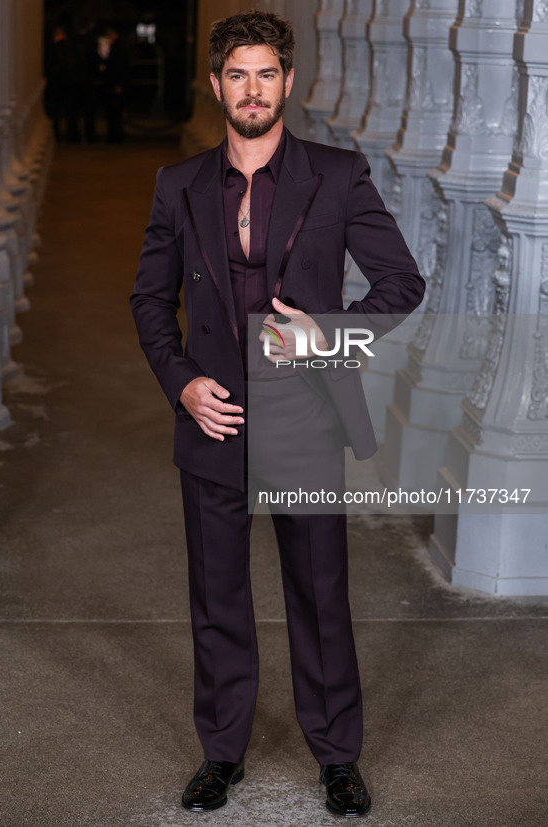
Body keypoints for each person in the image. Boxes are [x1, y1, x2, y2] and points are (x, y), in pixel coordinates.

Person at [130, 10, 425, 818]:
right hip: (214, 417)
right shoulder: (179, 185)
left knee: (319, 592)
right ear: (215, 83)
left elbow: (402, 283)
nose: (251, 89)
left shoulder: (337, 173)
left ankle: (336, 756)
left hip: (303, 419)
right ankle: (221, 752)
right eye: (236, 74)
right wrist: (182, 382)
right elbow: (150, 299)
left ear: (287, 83)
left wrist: (324, 335)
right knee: (217, 594)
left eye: (266, 74)